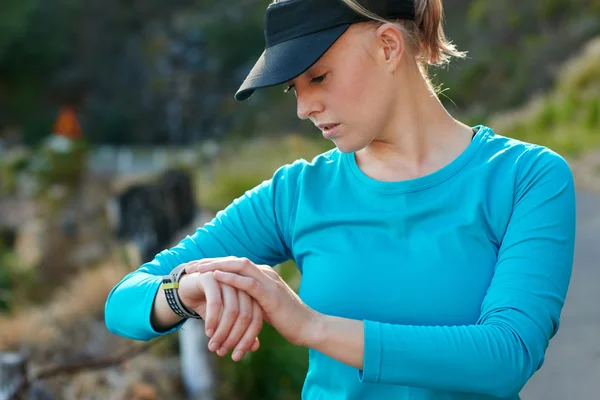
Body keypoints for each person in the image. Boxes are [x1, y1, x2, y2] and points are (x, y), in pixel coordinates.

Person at [105, 0, 577, 399]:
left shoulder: (526, 178)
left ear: (388, 46)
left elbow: (507, 354)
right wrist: (183, 292)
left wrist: (311, 327)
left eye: (320, 77)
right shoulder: (296, 194)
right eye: (295, 87)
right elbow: (123, 301)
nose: (302, 107)